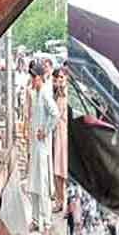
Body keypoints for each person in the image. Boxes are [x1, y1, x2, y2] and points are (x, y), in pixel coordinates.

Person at [27, 60, 60, 235]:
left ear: (39, 77)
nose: (32, 80)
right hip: (34, 146)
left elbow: (55, 114)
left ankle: (47, 224)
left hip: (42, 148)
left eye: (33, 77)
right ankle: (35, 220)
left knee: (43, 186)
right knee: (33, 185)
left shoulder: (45, 93)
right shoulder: (36, 94)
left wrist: (45, 131)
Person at [52, 68, 68, 212]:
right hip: (57, 134)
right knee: (57, 170)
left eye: (62, 77)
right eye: (58, 78)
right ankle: (59, 201)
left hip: (65, 135)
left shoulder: (67, 95)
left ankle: (64, 202)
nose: (60, 80)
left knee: (63, 170)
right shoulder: (56, 94)